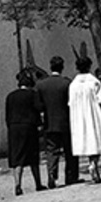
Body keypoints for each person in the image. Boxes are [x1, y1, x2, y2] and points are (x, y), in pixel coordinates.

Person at [35, 56, 78, 188]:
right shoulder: (66, 83)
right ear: (62, 67)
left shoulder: (41, 85)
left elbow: (38, 105)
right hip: (66, 122)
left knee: (51, 151)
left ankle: (51, 175)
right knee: (69, 150)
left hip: (50, 122)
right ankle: (70, 176)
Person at [70, 55, 101, 184]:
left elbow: (71, 102)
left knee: (87, 139)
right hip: (94, 113)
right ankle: (94, 163)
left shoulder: (73, 84)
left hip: (79, 115)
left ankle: (91, 163)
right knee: (96, 138)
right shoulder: (94, 82)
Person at [6, 72, 47, 196]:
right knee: (33, 156)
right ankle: (38, 183)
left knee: (17, 157)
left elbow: (7, 114)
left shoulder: (10, 96)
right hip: (28, 127)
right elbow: (39, 108)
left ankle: (17, 184)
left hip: (14, 127)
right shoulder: (32, 94)